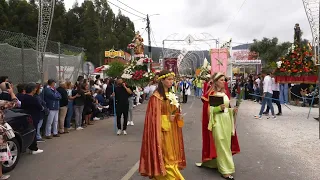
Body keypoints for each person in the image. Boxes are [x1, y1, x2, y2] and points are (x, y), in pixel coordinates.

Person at [139, 70, 186, 180]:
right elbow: (153, 118)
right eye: (169, 79)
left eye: (172, 79)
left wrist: (178, 114)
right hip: (162, 131)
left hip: (172, 130)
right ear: (162, 81)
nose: (171, 82)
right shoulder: (156, 97)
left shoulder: (171, 95)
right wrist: (167, 118)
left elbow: (174, 111)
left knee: (171, 154)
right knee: (166, 155)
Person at [196, 72, 240, 180]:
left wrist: (232, 110)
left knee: (225, 144)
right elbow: (209, 111)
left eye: (224, 80)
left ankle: (215, 163)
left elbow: (226, 108)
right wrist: (217, 109)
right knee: (221, 146)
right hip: (217, 123)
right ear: (215, 82)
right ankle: (225, 170)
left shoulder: (225, 94)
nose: (224, 82)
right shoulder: (210, 95)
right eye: (221, 80)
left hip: (226, 122)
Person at [21, 83, 44, 154]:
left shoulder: (24, 97)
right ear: (32, 89)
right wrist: (42, 108)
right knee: (34, 131)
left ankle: (29, 146)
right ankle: (34, 148)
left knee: (29, 131)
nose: (36, 90)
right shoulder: (33, 98)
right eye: (34, 88)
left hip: (27, 116)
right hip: (34, 116)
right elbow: (40, 107)